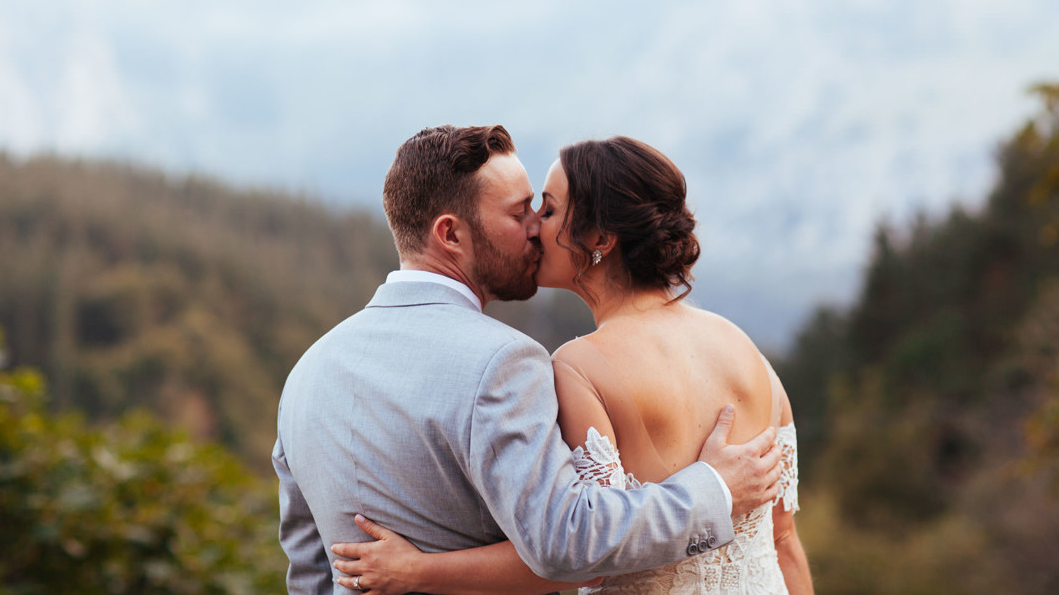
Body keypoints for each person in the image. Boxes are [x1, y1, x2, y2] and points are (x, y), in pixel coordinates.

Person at [273, 126, 784, 594]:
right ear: (451, 235)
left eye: (542, 210)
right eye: (520, 214)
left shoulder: (305, 374)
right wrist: (713, 490)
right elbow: (567, 544)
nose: (535, 230)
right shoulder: (502, 362)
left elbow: (309, 570)